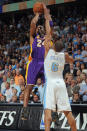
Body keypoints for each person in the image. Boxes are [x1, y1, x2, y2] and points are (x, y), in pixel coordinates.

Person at [43, 7, 77, 131]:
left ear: (53, 46)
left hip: (51, 84)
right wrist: (70, 60)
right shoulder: (64, 56)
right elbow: (72, 60)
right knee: (68, 112)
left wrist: (47, 16)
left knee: (47, 114)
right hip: (61, 83)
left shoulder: (49, 53)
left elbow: (48, 32)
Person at [21, 4, 53, 120]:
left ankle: (52, 112)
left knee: (50, 87)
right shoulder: (32, 38)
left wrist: (46, 14)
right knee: (28, 87)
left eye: (41, 27)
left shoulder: (48, 37)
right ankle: (24, 111)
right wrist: (37, 15)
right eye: (38, 28)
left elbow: (49, 24)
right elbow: (32, 25)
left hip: (45, 63)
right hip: (34, 63)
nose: (39, 28)